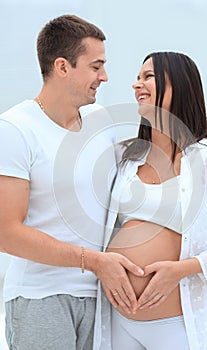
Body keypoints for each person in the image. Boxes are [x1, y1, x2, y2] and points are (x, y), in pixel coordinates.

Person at [0, 14, 144, 350]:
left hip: (102, 298)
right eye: (96, 67)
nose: (104, 77)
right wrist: (91, 261)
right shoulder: (15, 129)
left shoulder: (100, 119)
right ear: (63, 67)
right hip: (40, 298)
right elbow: (5, 231)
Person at [103, 52, 207, 350]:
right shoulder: (124, 159)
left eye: (148, 76)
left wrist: (180, 269)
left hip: (176, 325)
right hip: (117, 322)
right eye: (137, 78)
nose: (137, 85)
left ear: (180, 86)